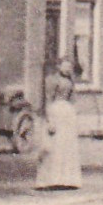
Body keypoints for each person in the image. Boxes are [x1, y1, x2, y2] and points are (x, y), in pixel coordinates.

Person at [35, 57, 82, 190]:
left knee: (67, 146)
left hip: (68, 116)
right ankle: (51, 179)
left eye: (69, 67)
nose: (67, 69)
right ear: (59, 66)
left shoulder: (71, 81)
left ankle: (67, 179)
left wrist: (75, 113)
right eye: (64, 66)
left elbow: (73, 99)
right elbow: (49, 99)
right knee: (54, 146)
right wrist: (50, 120)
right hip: (56, 113)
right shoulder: (52, 80)